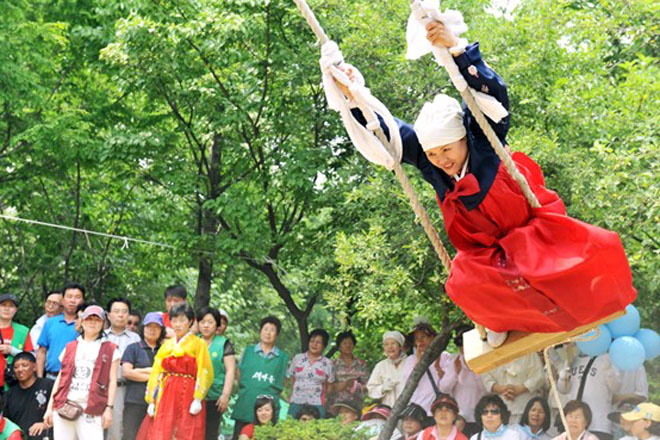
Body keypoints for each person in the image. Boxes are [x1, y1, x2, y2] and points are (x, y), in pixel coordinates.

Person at [339, 20, 635, 344]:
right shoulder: (434, 165)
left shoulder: (483, 141)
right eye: (434, 154)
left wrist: (455, 49)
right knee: (461, 282)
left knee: (586, 255)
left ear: (463, 139)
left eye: (447, 150)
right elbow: (389, 131)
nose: (441, 160)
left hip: (527, 232)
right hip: (487, 252)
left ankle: (581, 304)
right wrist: (355, 98)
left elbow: (488, 96)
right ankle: (498, 320)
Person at [43, 304, 120, 440]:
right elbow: (60, 379)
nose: (93, 323)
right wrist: (50, 408)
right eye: (89, 319)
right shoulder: (70, 347)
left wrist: (109, 408)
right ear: (82, 321)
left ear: (103, 324)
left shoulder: (110, 349)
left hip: (92, 408)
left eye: (97, 320)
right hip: (65, 405)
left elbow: (113, 380)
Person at [143, 303, 213, 440]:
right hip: (166, 393)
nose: (177, 324)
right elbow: (156, 373)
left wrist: (198, 398)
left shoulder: (199, 344)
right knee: (163, 430)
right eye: (174, 320)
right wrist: (151, 400)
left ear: (191, 321)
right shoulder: (166, 345)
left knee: (185, 430)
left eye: (182, 320)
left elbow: (205, 371)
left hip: (189, 392)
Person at [231, 315, 289, 440]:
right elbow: (238, 373)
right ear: (260, 331)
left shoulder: (283, 358)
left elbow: (284, 381)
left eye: (272, 330)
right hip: (246, 406)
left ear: (277, 334)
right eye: (265, 329)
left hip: (268, 412)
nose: (268, 333)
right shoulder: (248, 351)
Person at [121, 312, 165, 440]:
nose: (152, 330)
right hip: (135, 401)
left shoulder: (165, 350)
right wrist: (155, 374)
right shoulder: (133, 348)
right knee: (131, 436)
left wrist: (140, 371)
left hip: (159, 402)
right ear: (143, 328)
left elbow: (167, 374)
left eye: (156, 327)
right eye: (149, 326)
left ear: (161, 330)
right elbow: (127, 372)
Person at [557, 353, 620, 439]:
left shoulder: (606, 357)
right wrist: (562, 379)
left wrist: (609, 370)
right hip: (574, 426)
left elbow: (616, 387)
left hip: (599, 425)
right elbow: (563, 390)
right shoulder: (574, 359)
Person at [438, 324, 487, 434]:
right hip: (459, 419)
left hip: (479, 417)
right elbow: (444, 388)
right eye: (460, 342)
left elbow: (487, 390)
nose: (463, 346)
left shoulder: (484, 360)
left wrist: (476, 370)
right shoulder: (454, 361)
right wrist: (456, 372)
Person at [197, 306, 236, 440]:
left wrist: (225, 395)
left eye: (210, 322)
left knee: (210, 433)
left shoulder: (224, 344)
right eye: (202, 322)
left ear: (217, 325)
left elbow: (230, 370)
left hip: (214, 397)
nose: (206, 326)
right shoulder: (193, 341)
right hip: (193, 396)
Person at [104, 297, 140, 440]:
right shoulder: (100, 337)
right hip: (100, 388)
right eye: (117, 311)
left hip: (123, 388)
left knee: (116, 428)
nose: (120, 315)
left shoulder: (136, 339)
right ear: (108, 315)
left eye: (124, 312)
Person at [36, 283, 85, 380]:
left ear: (83, 300)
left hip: (78, 378)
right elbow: (42, 352)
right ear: (62, 300)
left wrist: (82, 325)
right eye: (69, 297)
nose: (72, 301)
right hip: (51, 376)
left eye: (77, 297)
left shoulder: (88, 324)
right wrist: (40, 378)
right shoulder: (50, 323)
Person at [482, 353, 545, 424]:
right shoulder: (487, 353)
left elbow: (539, 376)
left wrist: (519, 389)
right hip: (501, 407)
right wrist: (503, 390)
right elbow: (486, 379)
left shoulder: (528, 351)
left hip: (526, 406)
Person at [288, 328, 335, 419]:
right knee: (291, 428)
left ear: (324, 345)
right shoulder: (298, 358)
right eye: (312, 341)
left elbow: (330, 385)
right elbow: (293, 377)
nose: (314, 344)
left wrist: (324, 397)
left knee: (317, 430)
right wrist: (293, 393)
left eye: (318, 342)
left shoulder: (328, 363)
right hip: (297, 400)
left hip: (317, 402)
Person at [4, 352, 52, 440]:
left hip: (44, 434)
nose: (20, 369)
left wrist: (46, 424)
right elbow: (6, 422)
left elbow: (58, 411)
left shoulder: (48, 385)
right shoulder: (9, 394)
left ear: (34, 367)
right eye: (16, 367)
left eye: (24, 365)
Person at [402, 320, 442, 415]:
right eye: (416, 338)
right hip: (417, 409)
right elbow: (408, 381)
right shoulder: (410, 360)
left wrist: (439, 369)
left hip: (438, 408)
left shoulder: (444, 357)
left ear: (433, 338)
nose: (420, 341)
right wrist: (418, 362)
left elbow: (447, 384)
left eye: (423, 337)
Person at [327, 330, 369, 412]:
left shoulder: (361, 364)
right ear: (339, 346)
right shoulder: (332, 365)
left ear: (354, 346)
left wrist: (357, 388)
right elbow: (329, 387)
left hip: (357, 405)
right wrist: (345, 384)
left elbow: (368, 384)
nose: (348, 346)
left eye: (350, 343)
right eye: (344, 343)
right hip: (337, 405)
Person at [0, 293, 34, 390]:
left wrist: (11, 350)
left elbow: (31, 357)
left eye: (11, 306)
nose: (7, 309)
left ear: (16, 310)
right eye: (3, 305)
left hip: (13, 383)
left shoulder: (23, 331)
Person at [367, 330, 407, 408]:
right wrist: (382, 388)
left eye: (393, 343)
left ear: (400, 346)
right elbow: (371, 390)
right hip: (387, 409)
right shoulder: (380, 366)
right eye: (386, 344)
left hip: (407, 409)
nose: (390, 347)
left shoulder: (410, 362)